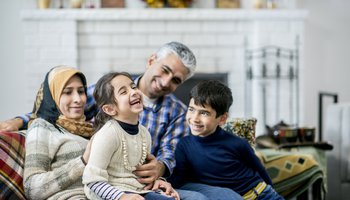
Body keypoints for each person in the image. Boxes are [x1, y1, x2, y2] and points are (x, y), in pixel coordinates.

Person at [168, 80, 284, 200]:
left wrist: (272, 190)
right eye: (191, 109)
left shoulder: (237, 143)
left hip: (263, 194)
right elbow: (180, 178)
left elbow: (260, 169)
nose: (195, 118)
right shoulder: (184, 145)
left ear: (222, 119)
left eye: (204, 113)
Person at [82, 72, 178, 200]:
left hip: (136, 190)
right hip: (110, 193)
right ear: (110, 109)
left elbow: (143, 171)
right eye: (123, 92)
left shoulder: (144, 133)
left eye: (133, 87)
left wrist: (159, 181)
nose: (133, 92)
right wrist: (121, 197)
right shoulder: (108, 134)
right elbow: (92, 180)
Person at [23, 66, 94, 199]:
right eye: (67, 92)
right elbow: (32, 188)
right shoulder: (42, 127)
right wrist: (82, 162)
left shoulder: (89, 128)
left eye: (81, 91)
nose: (78, 99)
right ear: (53, 96)